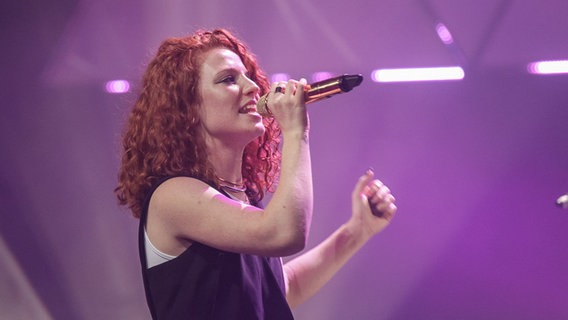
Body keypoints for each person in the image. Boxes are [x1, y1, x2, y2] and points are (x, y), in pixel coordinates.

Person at [115, 28, 397, 320]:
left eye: (248, 75)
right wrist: (296, 131)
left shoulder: (245, 200)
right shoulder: (172, 196)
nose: (252, 87)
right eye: (228, 79)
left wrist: (357, 230)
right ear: (188, 107)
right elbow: (283, 233)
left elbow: (283, 288)